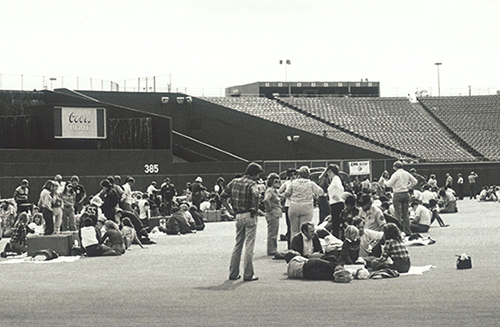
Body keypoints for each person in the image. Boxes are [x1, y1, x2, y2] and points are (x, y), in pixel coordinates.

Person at [221, 162, 263, 282]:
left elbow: (222, 197)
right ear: (254, 173)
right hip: (249, 215)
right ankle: (248, 274)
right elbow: (256, 195)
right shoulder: (252, 183)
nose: (258, 178)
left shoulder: (234, 182)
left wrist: (231, 210)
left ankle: (233, 273)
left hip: (238, 216)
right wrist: (255, 209)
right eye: (258, 175)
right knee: (249, 245)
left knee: (238, 244)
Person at [284, 166, 324, 239]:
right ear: (308, 175)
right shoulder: (311, 183)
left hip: (294, 206)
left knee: (294, 230)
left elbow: (286, 193)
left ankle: (294, 247)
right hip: (307, 206)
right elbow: (321, 192)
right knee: (305, 230)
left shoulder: (293, 183)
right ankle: (304, 248)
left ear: (299, 174)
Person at [386, 161, 418, 236]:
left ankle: (398, 231)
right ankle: (407, 231)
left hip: (397, 193)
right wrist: (408, 186)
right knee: (405, 213)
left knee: (398, 213)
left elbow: (389, 185)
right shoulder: (406, 173)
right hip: (405, 193)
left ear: (395, 167)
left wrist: (385, 182)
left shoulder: (395, 174)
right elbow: (415, 181)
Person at [263, 173, 282, 256]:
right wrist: (269, 209)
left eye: (278, 181)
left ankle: (273, 248)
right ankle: (271, 249)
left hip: (275, 214)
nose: (277, 183)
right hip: (273, 214)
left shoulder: (275, 191)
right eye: (275, 181)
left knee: (274, 232)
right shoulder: (270, 190)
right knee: (272, 232)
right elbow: (266, 200)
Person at [278, 168, 297, 249]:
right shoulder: (287, 183)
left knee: (296, 226)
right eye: (291, 175)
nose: (293, 176)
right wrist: (284, 197)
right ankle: (290, 246)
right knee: (289, 226)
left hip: (296, 204)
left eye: (294, 175)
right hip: (288, 205)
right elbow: (279, 191)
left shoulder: (298, 183)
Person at [326, 164, 345, 239]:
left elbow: (341, 188)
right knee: (335, 223)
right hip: (334, 203)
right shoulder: (333, 179)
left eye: (330, 172)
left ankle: (336, 238)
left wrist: (339, 196)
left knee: (336, 224)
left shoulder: (336, 178)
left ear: (333, 172)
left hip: (336, 203)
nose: (328, 174)